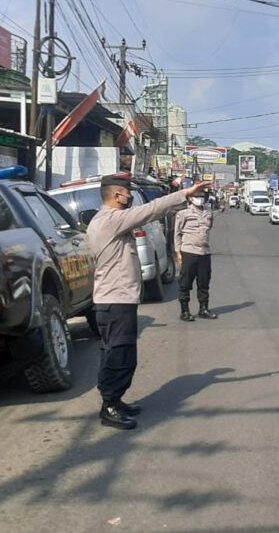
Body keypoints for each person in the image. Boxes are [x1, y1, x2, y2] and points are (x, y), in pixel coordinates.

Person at [87, 175, 211, 430]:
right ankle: (109, 406)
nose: (130, 197)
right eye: (127, 193)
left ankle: (116, 400)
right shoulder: (111, 219)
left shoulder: (109, 219)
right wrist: (185, 194)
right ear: (117, 195)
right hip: (114, 300)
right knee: (118, 354)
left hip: (118, 298)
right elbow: (151, 210)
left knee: (121, 352)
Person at [174, 192, 217, 323]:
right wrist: (178, 252)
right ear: (190, 198)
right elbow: (177, 233)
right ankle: (185, 311)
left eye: (202, 197)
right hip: (189, 251)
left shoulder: (208, 212)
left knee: (204, 282)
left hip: (204, 252)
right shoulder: (183, 213)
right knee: (185, 283)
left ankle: (203, 309)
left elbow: (209, 227)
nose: (200, 199)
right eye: (197, 197)